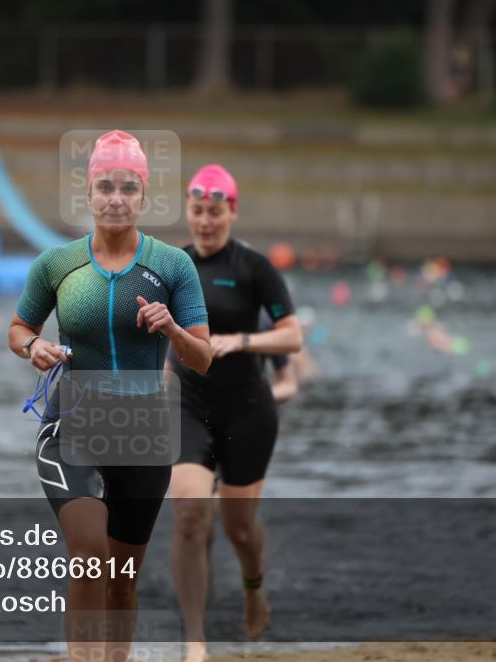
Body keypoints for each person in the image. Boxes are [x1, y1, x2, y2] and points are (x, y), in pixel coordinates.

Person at [8, 130, 212, 662]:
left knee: (122, 581)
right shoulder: (57, 264)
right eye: (105, 187)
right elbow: (17, 327)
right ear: (89, 194)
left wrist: (170, 329)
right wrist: (33, 347)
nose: (116, 198)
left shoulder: (173, 267)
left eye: (127, 188)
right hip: (72, 426)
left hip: (143, 434)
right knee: (90, 556)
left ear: (143, 195)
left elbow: (203, 357)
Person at [167, 164, 302, 662]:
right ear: (188, 210)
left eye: (215, 212)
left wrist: (242, 341)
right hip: (188, 401)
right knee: (188, 515)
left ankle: (252, 584)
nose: (205, 222)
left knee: (237, 528)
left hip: (247, 408)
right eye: (197, 211)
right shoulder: (172, 265)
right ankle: (194, 642)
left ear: (232, 212)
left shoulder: (254, 267)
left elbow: (293, 335)